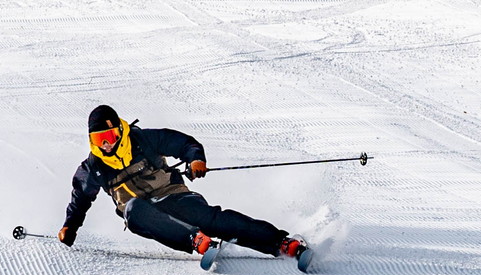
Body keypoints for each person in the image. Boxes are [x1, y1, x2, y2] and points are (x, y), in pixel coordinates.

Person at [58, 104, 308, 262]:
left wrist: (196, 159)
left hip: (172, 195)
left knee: (211, 219)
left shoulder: (142, 139)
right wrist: (71, 226)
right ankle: (195, 240)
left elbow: (183, 143)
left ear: (120, 132)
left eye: (110, 137)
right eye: (99, 139)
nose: (106, 145)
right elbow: (80, 198)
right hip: (144, 212)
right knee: (133, 211)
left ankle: (282, 243)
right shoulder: (93, 167)